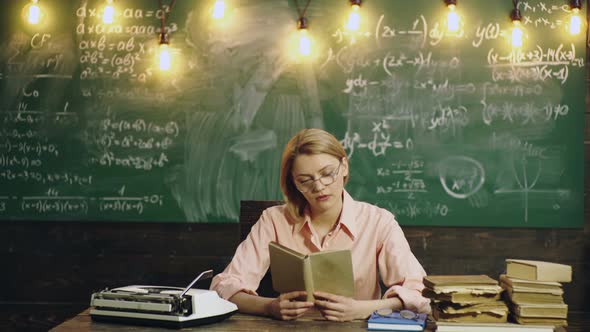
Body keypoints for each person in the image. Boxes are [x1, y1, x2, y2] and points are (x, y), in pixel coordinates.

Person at [210, 128, 430, 321]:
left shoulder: (378, 221)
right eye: (305, 180)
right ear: (293, 183)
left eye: (327, 174)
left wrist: (362, 309)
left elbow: (418, 290)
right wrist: (270, 306)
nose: (319, 187)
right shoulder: (273, 219)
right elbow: (225, 286)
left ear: (343, 167)